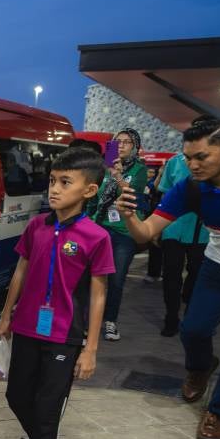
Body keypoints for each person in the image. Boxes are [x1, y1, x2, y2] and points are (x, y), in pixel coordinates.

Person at [117, 116, 220, 439]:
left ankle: (219, 410)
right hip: (219, 267)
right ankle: (200, 367)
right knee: (193, 329)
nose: (192, 164)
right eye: (188, 157)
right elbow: (147, 232)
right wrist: (130, 217)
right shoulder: (190, 188)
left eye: (201, 157)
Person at [0, 148, 114, 439]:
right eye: (52, 181)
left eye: (66, 182)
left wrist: (91, 349)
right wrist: (5, 316)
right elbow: (21, 270)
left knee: (47, 413)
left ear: (90, 190)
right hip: (29, 327)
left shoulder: (96, 237)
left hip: (65, 337)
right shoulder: (38, 226)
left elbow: (98, 294)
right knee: (17, 396)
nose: (55, 189)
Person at [90, 129, 148, 341]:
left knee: (116, 279)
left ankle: (110, 321)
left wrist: (118, 175)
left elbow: (131, 195)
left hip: (124, 232)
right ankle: (90, 321)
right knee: (95, 276)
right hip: (100, 228)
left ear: (135, 146)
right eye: (118, 142)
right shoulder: (104, 169)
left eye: (127, 142)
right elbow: (94, 199)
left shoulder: (140, 169)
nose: (122, 145)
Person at [155, 153, 208, 337]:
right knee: (171, 275)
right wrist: (157, 227)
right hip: (173, 227)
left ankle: (189, 312)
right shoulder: (174, 162)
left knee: (196, 273)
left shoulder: (215, 163)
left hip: (203, 231)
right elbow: (165, 194)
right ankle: (171, 318)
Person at [142, 166, 164, 283]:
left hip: (159, 217)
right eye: (148, 171)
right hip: (149, 217)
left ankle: (158, 272)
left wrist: (160, 174)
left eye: (151, 172)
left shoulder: (160, 182)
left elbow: (155, 188)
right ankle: (153, 273)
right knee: (154, 246)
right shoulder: (146, 182)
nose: (149, 174)